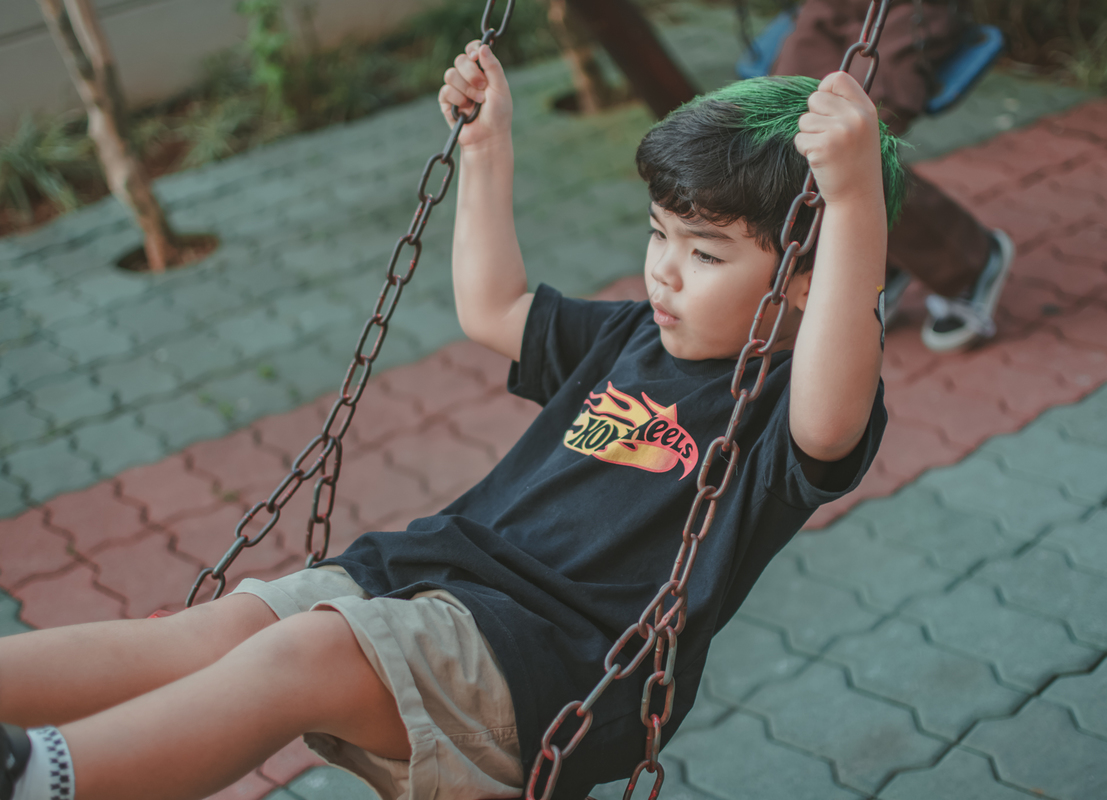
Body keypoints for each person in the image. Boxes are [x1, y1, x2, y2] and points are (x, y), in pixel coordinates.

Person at [0, 40, 902, 800]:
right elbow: (493, 305)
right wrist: (485, 148)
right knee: (222, 631)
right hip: (432, 579)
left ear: (806, 279)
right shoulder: (630, 336)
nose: (664, 269)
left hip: (550, 666)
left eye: (705, 252)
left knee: (298, 656)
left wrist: (853, 200)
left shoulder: (781, 405)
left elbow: (829, 423)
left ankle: (37, 777)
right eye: (659, 232)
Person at [772, 0, 1014, 351]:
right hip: (826, 7)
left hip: (907, 10)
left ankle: (969, 259)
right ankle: (892, 255)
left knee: (848, 145)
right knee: (781, 137)